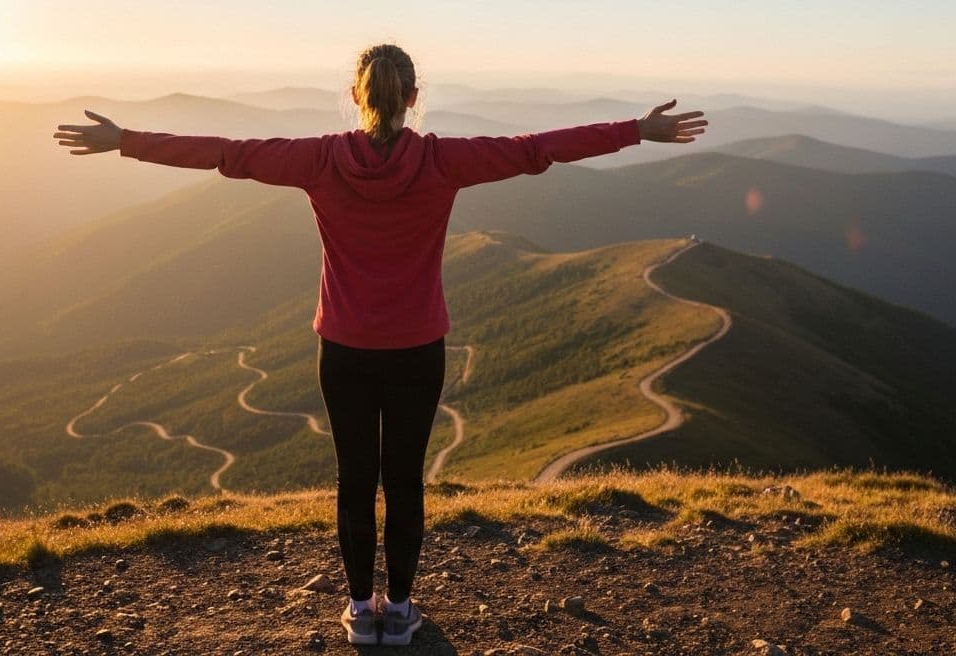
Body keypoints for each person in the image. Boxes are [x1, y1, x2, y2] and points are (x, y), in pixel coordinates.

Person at [53, 43, 708, 646]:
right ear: (413, 96)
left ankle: (359, 609)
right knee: (404, 478)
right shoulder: (442, 160)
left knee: (355, 478)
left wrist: (125, 141)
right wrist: (637, 131)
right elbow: (535, 148)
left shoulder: (319, 159)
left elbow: (229, 151)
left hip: (343, 349)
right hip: (418, 348)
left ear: (356, 95)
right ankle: (398, 611)